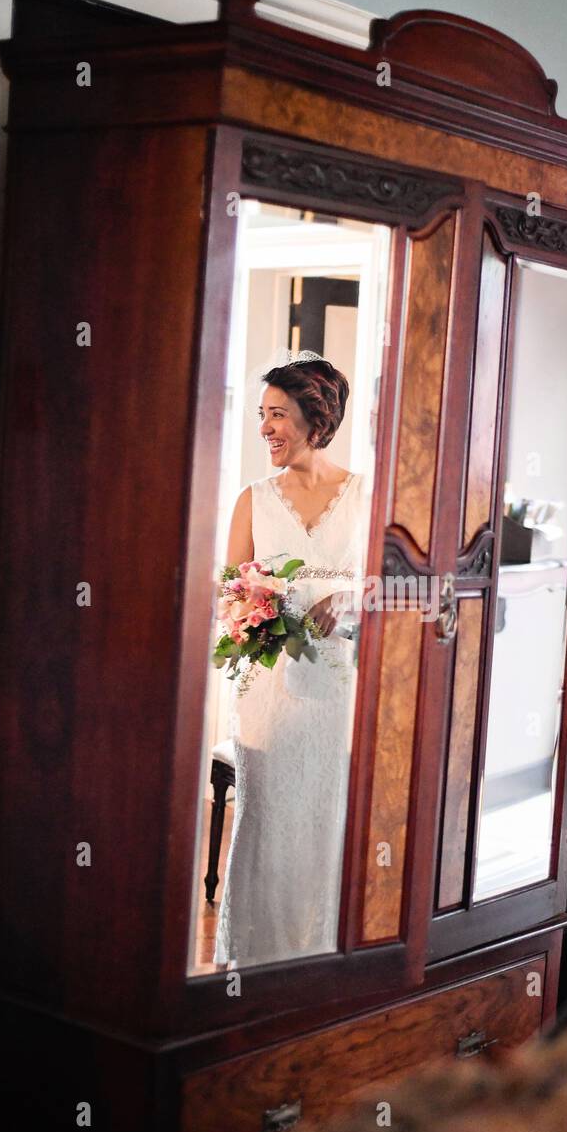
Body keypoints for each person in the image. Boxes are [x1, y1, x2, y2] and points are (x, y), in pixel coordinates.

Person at [213, 354, 367, 967]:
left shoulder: (365, 495)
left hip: (340, 690)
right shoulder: (253, 499)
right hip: (268, 689)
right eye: (262, 415)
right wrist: (256, 604)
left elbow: (399, 586)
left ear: (316, 417)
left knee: (329, 816)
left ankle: (326, 954)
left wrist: (352, 595)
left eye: (278, 414)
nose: (266, 428)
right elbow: (229, 591)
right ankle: (257, 957)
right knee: (270, 817)